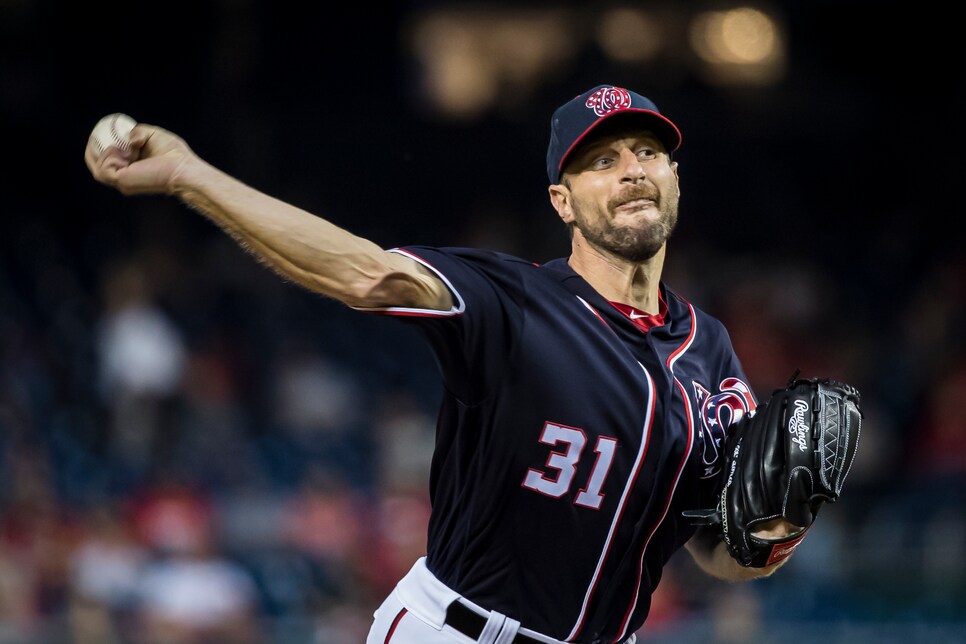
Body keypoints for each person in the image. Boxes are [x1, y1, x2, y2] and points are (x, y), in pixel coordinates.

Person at [86, 84, 801, 644]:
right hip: (458, 632)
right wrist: (189, 175)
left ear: (674, 177)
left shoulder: (711, 352)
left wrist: (776, 530)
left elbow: (716, 550)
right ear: (563, 201)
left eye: (647, 152)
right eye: (602, 161)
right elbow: (368, 274)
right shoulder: (515, 302)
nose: (632, 172)